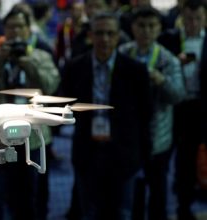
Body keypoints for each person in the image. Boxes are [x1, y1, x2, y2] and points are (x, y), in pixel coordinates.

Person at [62, 12, 152, 220]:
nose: (105, 39)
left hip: (124, 152)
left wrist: (143, 156)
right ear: (91, 35)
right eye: (100, 33)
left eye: (110, 33)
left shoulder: (135, 70)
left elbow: (145, 116)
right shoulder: (75, 67)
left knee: (122, 211)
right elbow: (66, 103)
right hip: (87, 150)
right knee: (90, 212)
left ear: (118, 36)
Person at [0, 8, 60, 220]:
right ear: (4, 30)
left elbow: (51, 86)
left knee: (31, 195)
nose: (15, 31)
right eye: (11, 26)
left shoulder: (41, 55)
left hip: (33, 138)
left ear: (28, 29)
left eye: (20, 26)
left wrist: (28, 63)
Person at [118, 6, 185, 220]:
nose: (146, 31)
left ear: (158, 29)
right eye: (141, 26)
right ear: (133, 28)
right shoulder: (122, 54)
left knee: (158, 191)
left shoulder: (168, 60)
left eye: (151, 26)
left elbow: (178, 95)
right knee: (131, 193)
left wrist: (161, 80)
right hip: (129, 136)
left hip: (159, 137)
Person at [158, 1, 207, 219]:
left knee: (197, 160)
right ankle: (181, 208)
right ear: (182, 18)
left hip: (202, 108)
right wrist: (175, 65)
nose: (193, 23)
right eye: (188, 19)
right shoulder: (169, 40)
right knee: (176, 161)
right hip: (175, 107)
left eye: (198, 19)